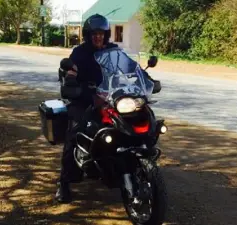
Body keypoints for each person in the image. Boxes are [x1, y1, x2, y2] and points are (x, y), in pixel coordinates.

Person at [55, 14, 159, 203]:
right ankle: (64, 182)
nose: (98, 37)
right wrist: (72, 82)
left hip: (111, 97)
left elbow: (131, 67)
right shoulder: (80, 53)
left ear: (106, 34)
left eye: (101, 33)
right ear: (88, 35)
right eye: (94, 34)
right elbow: (71, 71)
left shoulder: (114, 51)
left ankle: (138, 161)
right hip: (86, 97)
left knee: (142, 116)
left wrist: (147, 78)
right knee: (75, 131)